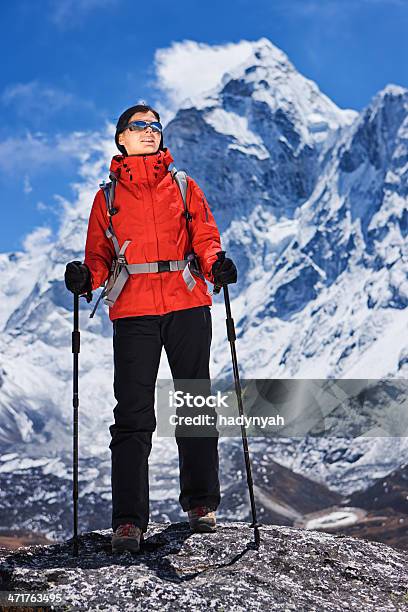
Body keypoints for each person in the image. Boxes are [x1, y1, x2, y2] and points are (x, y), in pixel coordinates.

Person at [64, 103, 237, 553]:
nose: (149, 132)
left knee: (194, 399)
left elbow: (204, 237)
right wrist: (87, 276)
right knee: (133, 414)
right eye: (138, 126)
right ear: (121, 137)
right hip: (134, 310)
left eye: (155, 127)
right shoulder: (106, 198)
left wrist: (216, 263)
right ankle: (128, 522)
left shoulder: (183, 186)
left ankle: (201, 504)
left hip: (186, 303)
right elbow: (99, 255)